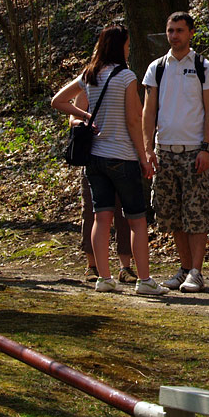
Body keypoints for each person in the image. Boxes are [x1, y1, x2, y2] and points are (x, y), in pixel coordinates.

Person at [51, 24, 168, 295]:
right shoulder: (126, 77)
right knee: (136, 220)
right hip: (122, 156)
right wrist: (144, 157)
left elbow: (58, 101)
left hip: (94, 158)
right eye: (127, 44)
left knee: (101, 218)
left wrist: (84, 117)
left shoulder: (90, 75)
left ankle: (103, 278)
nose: (129, 48)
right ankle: (144, 280)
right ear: (121, 46)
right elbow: (132, 120)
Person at [142, 12, 209, 294]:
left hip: (194, 152)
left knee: (196, 213)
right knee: (173, 214)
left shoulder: (204, 67)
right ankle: (185, 268)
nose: (174, 35)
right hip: (165, 152)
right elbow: (149, 111)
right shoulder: (157, 68)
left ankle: (197, 272)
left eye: (179, 30)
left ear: (191, 33)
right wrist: (148, 148)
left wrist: (206, 148)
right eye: (170, 30)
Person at [71, 92, 136, 284]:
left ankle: (125, 267)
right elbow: (73, 117)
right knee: (92, 211)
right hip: (92, 157)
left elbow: (135, 116)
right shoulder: (87, 80)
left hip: (122, 154)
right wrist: (85, 121)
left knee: (124, 212)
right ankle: (93, 266)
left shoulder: (125, 78)